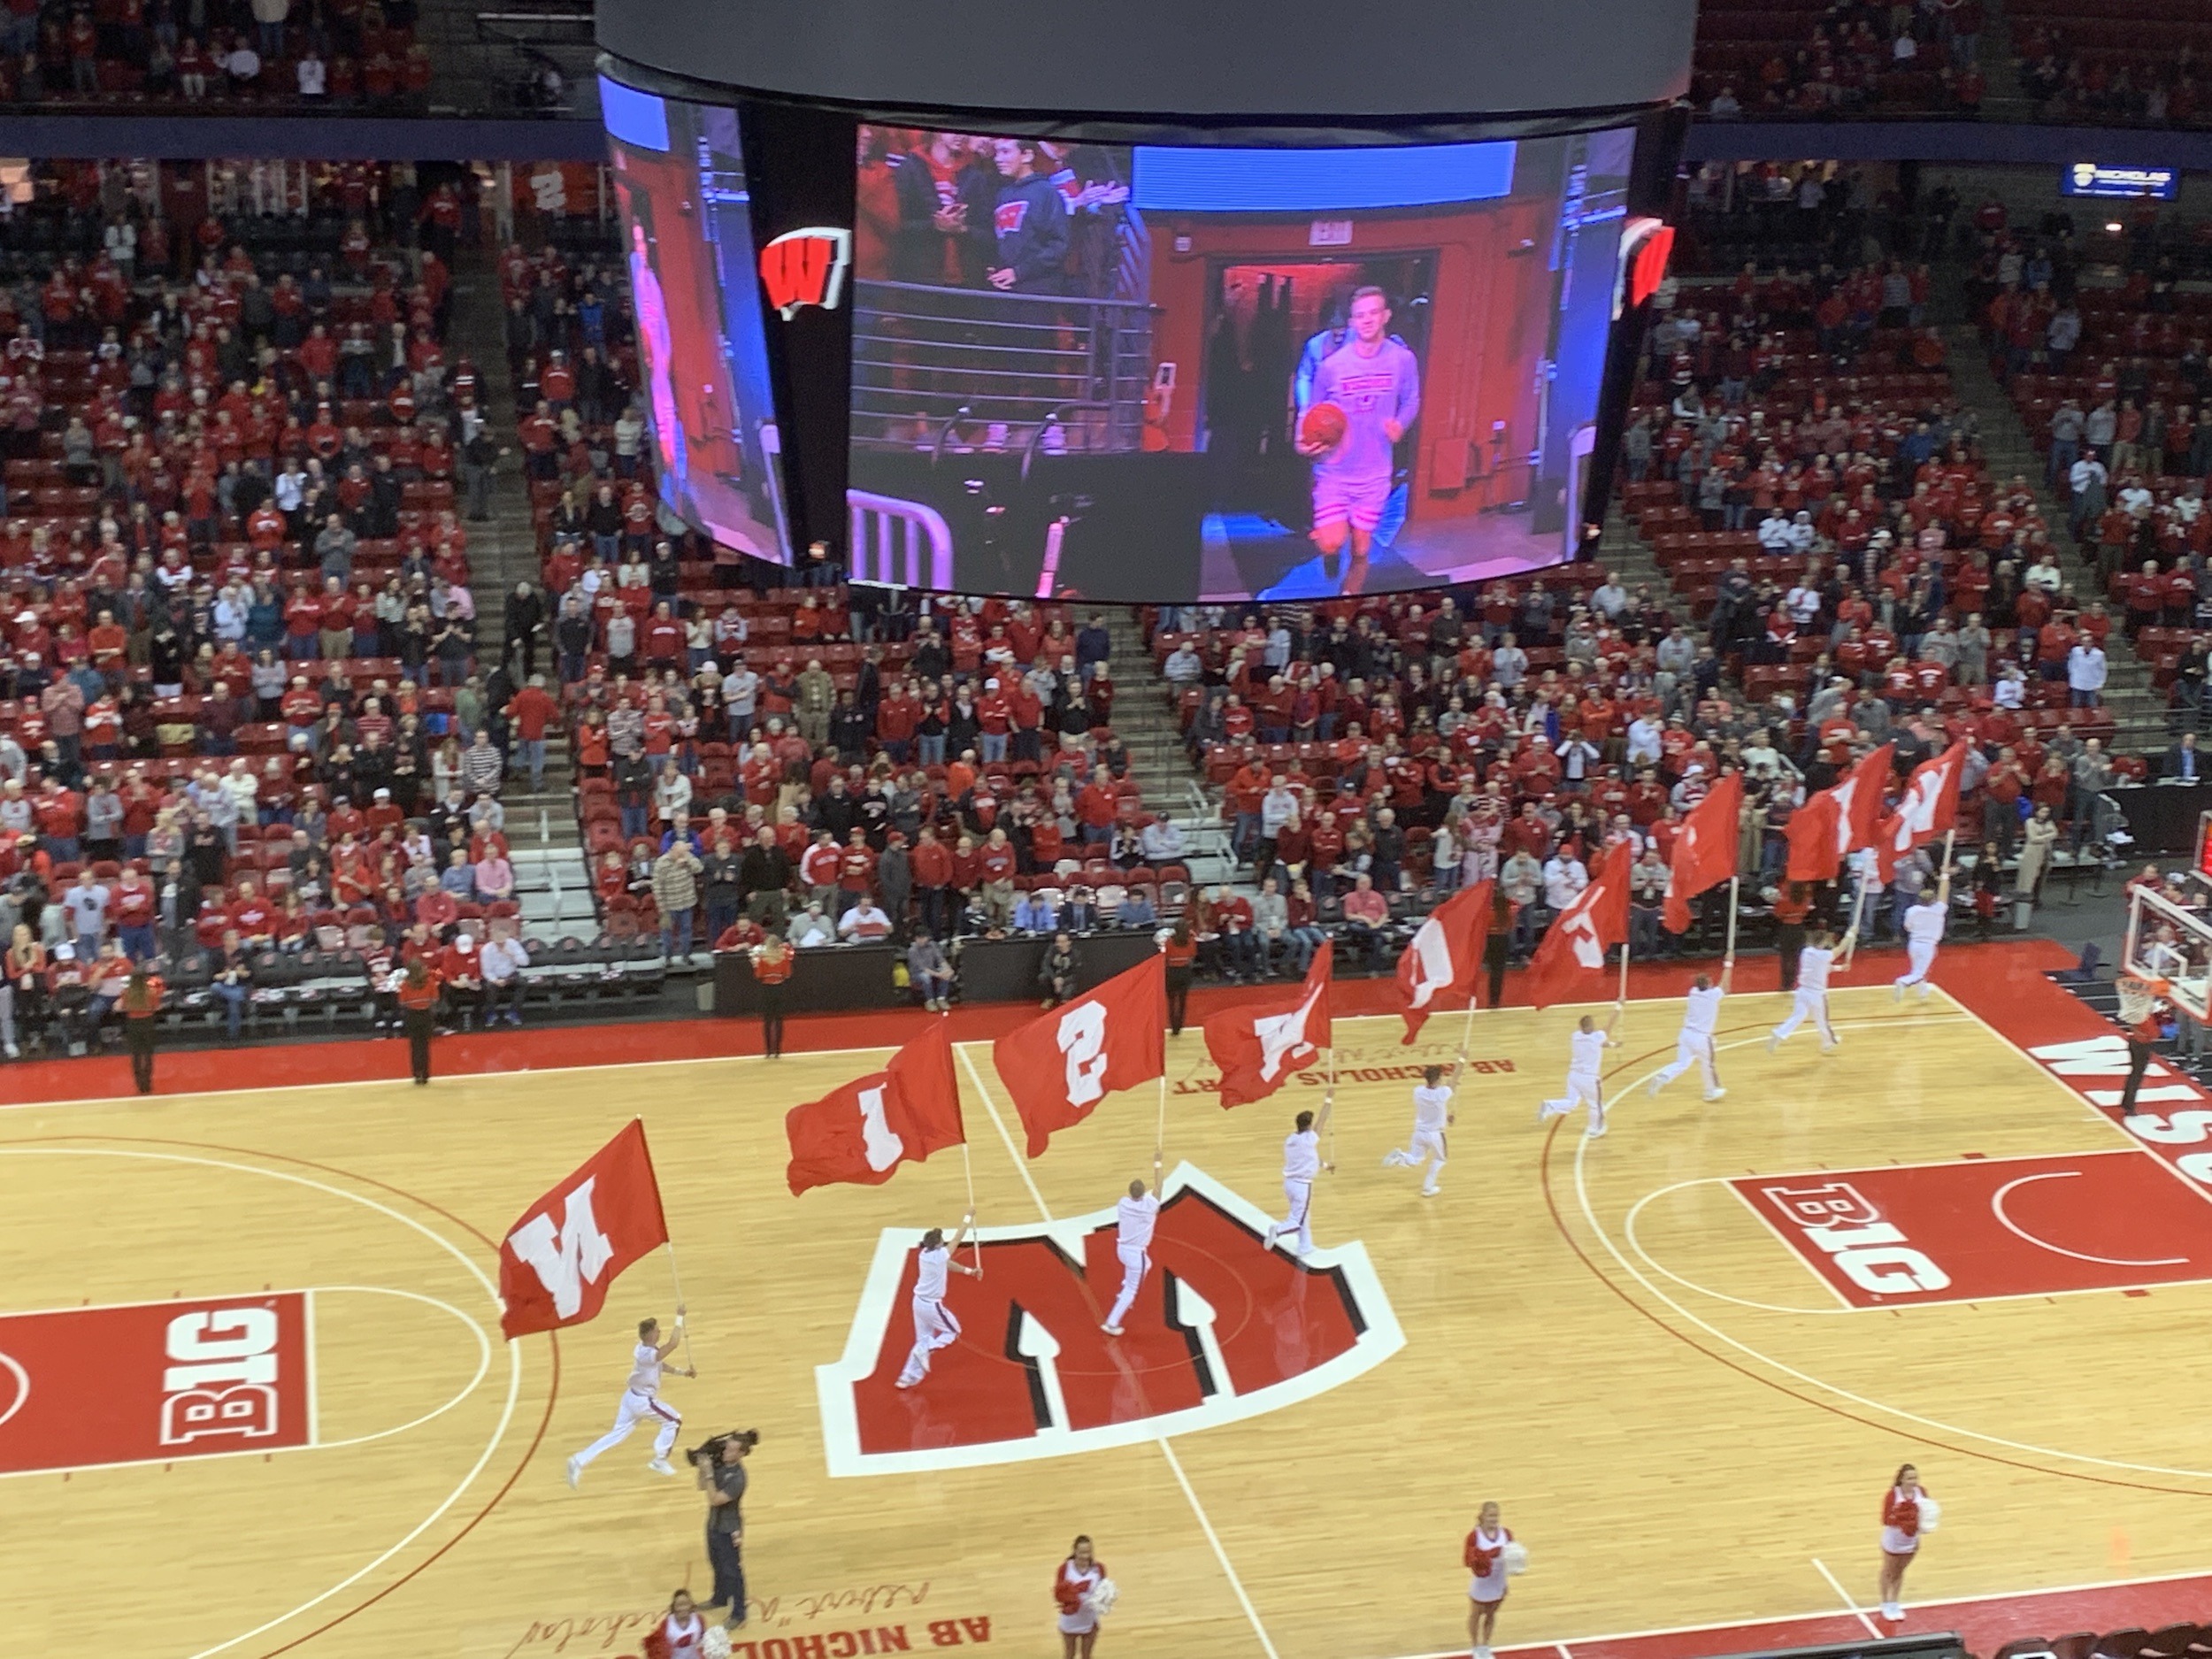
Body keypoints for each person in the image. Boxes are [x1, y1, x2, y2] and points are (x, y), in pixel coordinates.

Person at [1298, 285, 1420, 590]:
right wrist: (1303, 442)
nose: (1366, 320)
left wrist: (1401, 424)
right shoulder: (1331, 367)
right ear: (1352, 322)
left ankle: (1347, 598)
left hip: (1374, 473)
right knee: (1331, 543)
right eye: (1360, 315)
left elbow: (1411, 400)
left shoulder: (1403, 360)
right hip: (1334, 472)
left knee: (1362, 548)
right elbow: (1312, 413)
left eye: (1373, 313)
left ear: (1385, 317)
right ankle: (1330, 553)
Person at [566, 1309, 695, 1485]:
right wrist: (679, 1318)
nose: (660, 1332)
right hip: (643, 1401)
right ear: (649, 1334)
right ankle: (660, 1459)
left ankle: (578, 1461)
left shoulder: (644, 1349)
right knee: (674, 1420)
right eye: (657, 1330)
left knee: (616, 1435)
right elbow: (673, 1344)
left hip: (630, 1398)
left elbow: (660, 1365)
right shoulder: (647, 1354)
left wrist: (683, 1373)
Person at [895, 1214, 979, 1390]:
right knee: (953, 1331)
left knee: (922, 1339)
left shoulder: (925, 1254)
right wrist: (967, 1217)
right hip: (932, 1306)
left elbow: (947, 1264)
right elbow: (957, 1238)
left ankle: (907, 1376)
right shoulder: (940, 1254)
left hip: (918, 1302)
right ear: (938, 1244)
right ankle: (925, 1349)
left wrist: (969, 1271)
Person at [1646, 965, 1731, 1102]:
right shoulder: (1712, 995)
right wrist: (1728, 965)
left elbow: (1721, 987)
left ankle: (1663, 1076)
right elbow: (1725, 987)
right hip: (1701, 1038)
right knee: (1707, 1064)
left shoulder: (1693, 992)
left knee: (1681, 1063)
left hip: (1686, 1034)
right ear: (1708, 984)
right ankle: (1710, 1091)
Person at [1101, 1156, 1164, 1337]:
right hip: (1137, 1255)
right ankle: (1112, 1323)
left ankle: (1127, 1284)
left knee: (1148, 1265)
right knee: (1131, 1290)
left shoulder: (1123, 1204)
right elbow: (1159, 1186)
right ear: (1144, 1193)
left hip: (1122, 1250)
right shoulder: (1150, 1206)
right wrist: (1158, 1163)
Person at [699, 1432, 755, 1630]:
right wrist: (703, 1466)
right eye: (726, 1447)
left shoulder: (739, 1478)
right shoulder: (719, 1464)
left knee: (732, 1572)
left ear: (741, 1453)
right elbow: (701, 1486)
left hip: (729, 1529)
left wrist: (708, 1473)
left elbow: (715, 1499)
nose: (725, 1451)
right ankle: (719, 1598)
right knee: (715, 1563)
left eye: (731, 1449)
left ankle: (739, 1613)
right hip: (713, 1524)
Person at [1538, 1006, 1621, 1137]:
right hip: (1589, 1079)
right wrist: (1618, 1007)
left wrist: (1613, 1045)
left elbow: (1600, 1043)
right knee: (1595, 1105)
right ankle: (1594, 1129)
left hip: (1574, 1076)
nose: (1594, 1026)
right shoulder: (1597, 1037)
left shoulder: (1575, 1036)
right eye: (1592, 1025)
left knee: (1571, 1102)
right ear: (1589, 1027)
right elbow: (1608, 1027)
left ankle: (1550, 1106)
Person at [1263, 1103, 1333, 1256]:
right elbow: (1322, 1121)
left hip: (1289, 1184)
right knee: (1297, 1221)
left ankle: (1305, 1246)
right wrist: (1329, 1099)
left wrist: (1326, 1165)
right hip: (1302, 1185)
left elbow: (1311, 1158)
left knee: (1304, 1216)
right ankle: (1278, 1230)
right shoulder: (1309, 1140)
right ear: (1309, 1126)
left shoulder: (1291, 1140)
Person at [1381, 1063, 1456, 1197]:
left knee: (1415, 1159)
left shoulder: (1418, 1091)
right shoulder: (1442, 1093)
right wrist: (1462, 1059)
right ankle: (1427, 1187)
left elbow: (1433, 1109)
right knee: (1440, 1159)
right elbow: (1454, 1081)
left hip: (1419, 1133)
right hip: (1435, 1135)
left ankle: (1400, 1157)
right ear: (1438, 1079)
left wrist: (1445, 1116)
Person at [1768, 927, 1841, 1052]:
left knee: (1797, 1016)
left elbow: (1822, 968)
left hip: (1802, 991)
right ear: (1823, 942)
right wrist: (1850, 936)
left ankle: (1779, 1033)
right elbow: (1839, 950)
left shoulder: (1806, 952)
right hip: (1817, 994)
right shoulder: (1824, 955)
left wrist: (1840, 968)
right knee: (1822, 1020)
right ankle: (1828, 1042)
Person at [1877, 1463, 1932, 1621]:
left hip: (1911, 1539)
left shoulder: (1921, 1492)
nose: (1913, 1481)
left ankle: (1894, 1602)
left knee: (1900, 1572)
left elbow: (1927, 1513)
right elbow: (1885, 1519)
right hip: (1894, 1540)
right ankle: (1885, 1602)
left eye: (1915, 1477)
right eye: (1909, 1478)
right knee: (1889, 1571)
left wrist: (1922, 1523)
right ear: (1901, 1479)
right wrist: (1902, 1517)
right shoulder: (1892, 1495)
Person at [1463, 1500, 1517, 1659]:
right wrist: (1487, 1556)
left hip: (1498, 1580)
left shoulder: (1506, 1534)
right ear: (1483, 1516)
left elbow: (1511, 1557)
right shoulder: (1474, 1536)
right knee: (1476, 1614)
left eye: (1496, 1515)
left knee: (1491, 1614)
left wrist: (1508, 1579)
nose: (1493, 1519)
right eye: (1490, 1515)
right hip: (1482, 1581)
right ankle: (1475, 1646)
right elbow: (1467, 1560)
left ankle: (1485, 1646)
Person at [1893, 872, 1951, 1001]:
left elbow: (1907, 926)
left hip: (1913, 944)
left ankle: (1922, 993)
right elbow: (1944, 893)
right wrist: (1945, 877)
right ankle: (1903, 981)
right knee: (1919, 973)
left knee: (1918, 969)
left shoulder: (1912, 911)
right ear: (1933, 900)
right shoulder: (1938, 909)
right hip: (1928, 945)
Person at [1054, 1534, 1110, 1659]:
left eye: (1088, 1552)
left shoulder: (1099, 1568)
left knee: (1087, 1655)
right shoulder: (1064, 1569)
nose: (1085, 1555)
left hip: (1089, 1618)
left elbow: (1104, 1590)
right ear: (1075, 1551)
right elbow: (1058, 1594)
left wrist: (1105, 1601)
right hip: (1070, 1619)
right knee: (1069, 1655)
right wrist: (1072, 1597)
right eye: (1082, 1552)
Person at [396, 955, 442, 1085]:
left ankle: (417, 1075)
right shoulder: (429, 982)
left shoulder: (405, 984)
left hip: (412, 1016)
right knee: (425, 1046)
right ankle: (426, 1074)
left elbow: (402, 1002)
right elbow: (435, 999)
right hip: (426, 1015)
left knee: (415, 1047)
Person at [119, 964, 164, 1094]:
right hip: (147, 1022)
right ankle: (147, 1083)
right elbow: (156, 1007)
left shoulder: (126, 992)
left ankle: (139, 1083)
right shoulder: (151, 992)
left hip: (133, 1023)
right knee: (148, 1054)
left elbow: (124, 1007)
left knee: (136, 1054)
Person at [749, 933, 794, 1056]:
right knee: (779, 1020)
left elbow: (759, 975)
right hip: (779, 989)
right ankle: (778, 1050)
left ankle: (768, 1050)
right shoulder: (784, 957)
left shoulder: (762, 958)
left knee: (767, 1021)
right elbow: (787, 974)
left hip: (766, 989)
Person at [648, 1589, 709, 1657]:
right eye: (679, 1605)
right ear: (674, 1607)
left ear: (691, 1605)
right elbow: (656, 1646)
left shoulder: (699, 1620)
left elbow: (704, 1639)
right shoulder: (666, 1624)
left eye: (685, 1604)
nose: (683, 1608)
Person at [1161, 916, 1196, 1035]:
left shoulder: (1169, 941)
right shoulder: (1191, 940)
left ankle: (1173, 1026)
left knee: (1171, 1001)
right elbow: (1193, 953)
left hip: (1172, 971)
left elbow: (1166, 955)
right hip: (1185, 970)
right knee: (1182, 1000)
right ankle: (1180, 1025)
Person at [907, 930, 955, 1012]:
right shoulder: (912, 951)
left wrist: (948, 969)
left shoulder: (933, 946)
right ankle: (930, 1001)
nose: (921, 940)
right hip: (917, 973)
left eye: (923, 938)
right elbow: (922, 968)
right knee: (925, 977)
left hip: (932, 970)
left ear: (927, 938)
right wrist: (939, 975)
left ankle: (941, 999)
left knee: (946, 973)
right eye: (919, 938)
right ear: (916, 939)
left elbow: (940, 960)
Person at [1039, 930, 1078, 1007]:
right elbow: (1045, 965)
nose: (1059, 944)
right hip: (1054, 977)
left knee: (1065, 1000)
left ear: (1069, 942)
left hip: (1068, 979)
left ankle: (1065, 998)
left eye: (1062, 942)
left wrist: (1062, 980)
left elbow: (1076, 972)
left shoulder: (1075, 954)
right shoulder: (1052, 950)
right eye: (1058, 942)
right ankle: (1049, 998)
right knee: (1042, 977)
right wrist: (1055, 978)